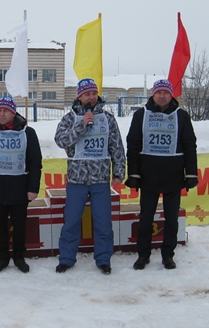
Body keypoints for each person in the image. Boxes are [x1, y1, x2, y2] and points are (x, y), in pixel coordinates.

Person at [54, 78, 125, 274]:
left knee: (103, 222)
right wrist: (81, 125)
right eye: (87, 94)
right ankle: (67, 258)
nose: (92, 97)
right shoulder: (69, 119)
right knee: (72, 221)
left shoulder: (108, 119)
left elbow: (117, 146)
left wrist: (119, 172)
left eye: (94, 94)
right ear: (80, 96)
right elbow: (60, 140)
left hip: (100, 179)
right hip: (77, 179)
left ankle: (103, 259)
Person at [125, 79, 198, 270]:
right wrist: (133, 173)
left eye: (166, 92)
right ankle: (143, 255)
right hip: (148, 176)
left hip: (173, 176)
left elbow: (190, 145)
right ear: (153, 94)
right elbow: (133, 144)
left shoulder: (181, 116)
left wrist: (191, 174)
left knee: (171, 219)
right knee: (146, 219)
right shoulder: (141, 115)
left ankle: (168, 255)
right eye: (159, 92)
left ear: (171, 95)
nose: (162, 96)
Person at [0, 97, 42, 273]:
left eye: (5, 110)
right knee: (0, 226)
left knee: (20, 226)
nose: (1, 114)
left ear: (13, 112)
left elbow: (35, 162)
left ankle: (19, 256)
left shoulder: (28, 133)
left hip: (20, 188)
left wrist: (33, 188)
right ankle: (3, 257)